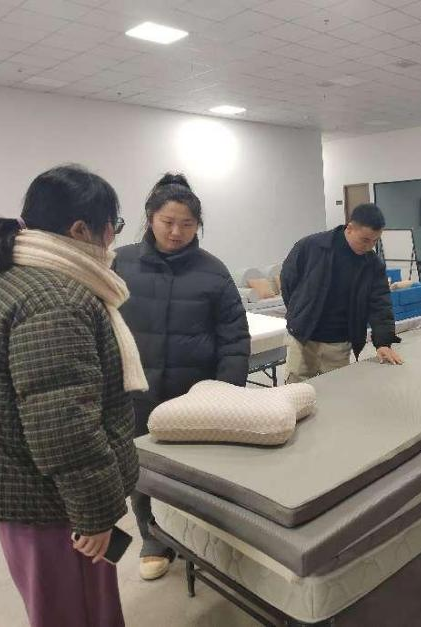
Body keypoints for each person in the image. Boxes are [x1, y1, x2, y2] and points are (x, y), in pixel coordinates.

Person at [0, 164, 142, 627]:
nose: (112, 238)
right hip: (51, 504)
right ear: (80, 229)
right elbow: (64, 426)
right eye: (112, 225)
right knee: (73, 611)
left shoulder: (21, 275)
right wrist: (95, 513)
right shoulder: (56, 300)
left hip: (33, 491)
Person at [114, 173, 250, 581]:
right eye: (168, 222)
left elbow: (234, 338)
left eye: (187, 224)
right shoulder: (119, 262)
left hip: (195, 395)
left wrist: (226, 393)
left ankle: (201, 538)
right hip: (136, 392)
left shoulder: (213, 271)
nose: (176, 232)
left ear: (198, 226)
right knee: (142, 469)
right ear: (150, 218)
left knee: (199, 471)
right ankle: (153, 539)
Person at [280, 203, 403, 383]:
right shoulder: (311, 247)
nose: (369, 246)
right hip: (302, 338)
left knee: (337, 390)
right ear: (350, 228)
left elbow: (380, 304)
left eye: (375, 241)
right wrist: (298, 312)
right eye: (365, 240)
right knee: (296, 389)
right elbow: (288, 281)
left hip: (339, 342)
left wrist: (383, 342)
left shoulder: (373, 264)